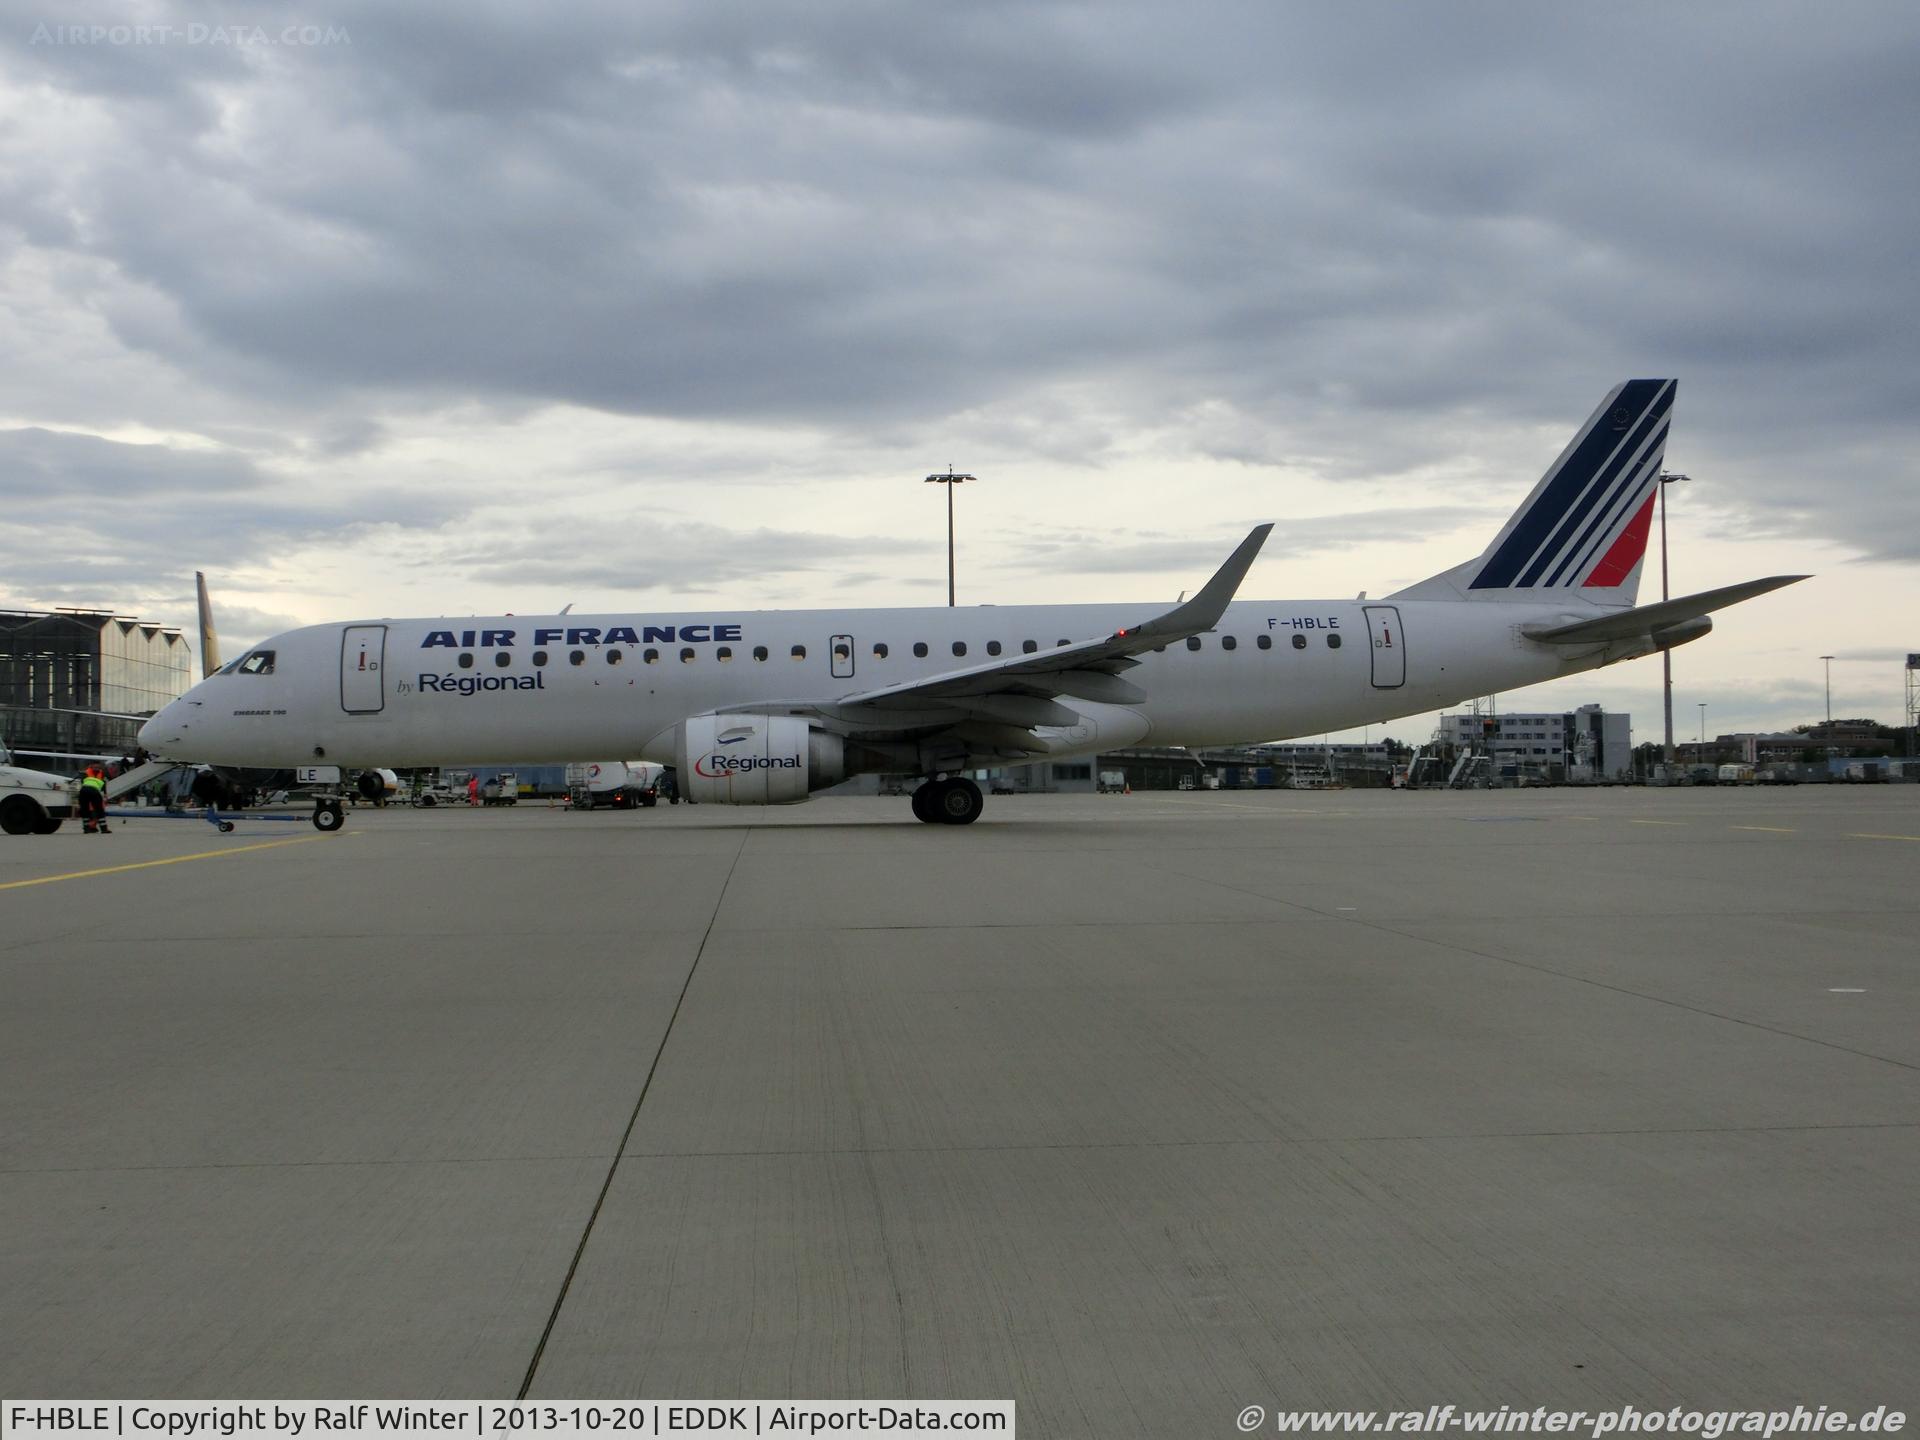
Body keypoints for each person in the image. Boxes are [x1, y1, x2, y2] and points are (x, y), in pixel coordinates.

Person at [78, 763, 111, 834]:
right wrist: (105, 795)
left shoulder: (86, 777)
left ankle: (87, 829)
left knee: (85, 811)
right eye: (95, 767)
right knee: (99, 810)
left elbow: (82, 783)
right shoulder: (100, 779)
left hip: (83, 791)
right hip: (94, 792)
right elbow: (103, 786)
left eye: (98, 767)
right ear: (91, 767)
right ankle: (103, 829)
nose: (96, 768)